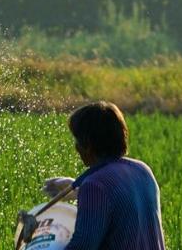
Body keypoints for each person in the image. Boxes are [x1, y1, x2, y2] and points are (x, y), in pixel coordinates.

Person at [42, 101, 166, 250]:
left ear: (88, 145)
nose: (76, 148)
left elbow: (83, 247)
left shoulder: (95, 184)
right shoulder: (142, 170)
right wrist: (78, 192)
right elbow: (120, 202)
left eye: (77, 141)